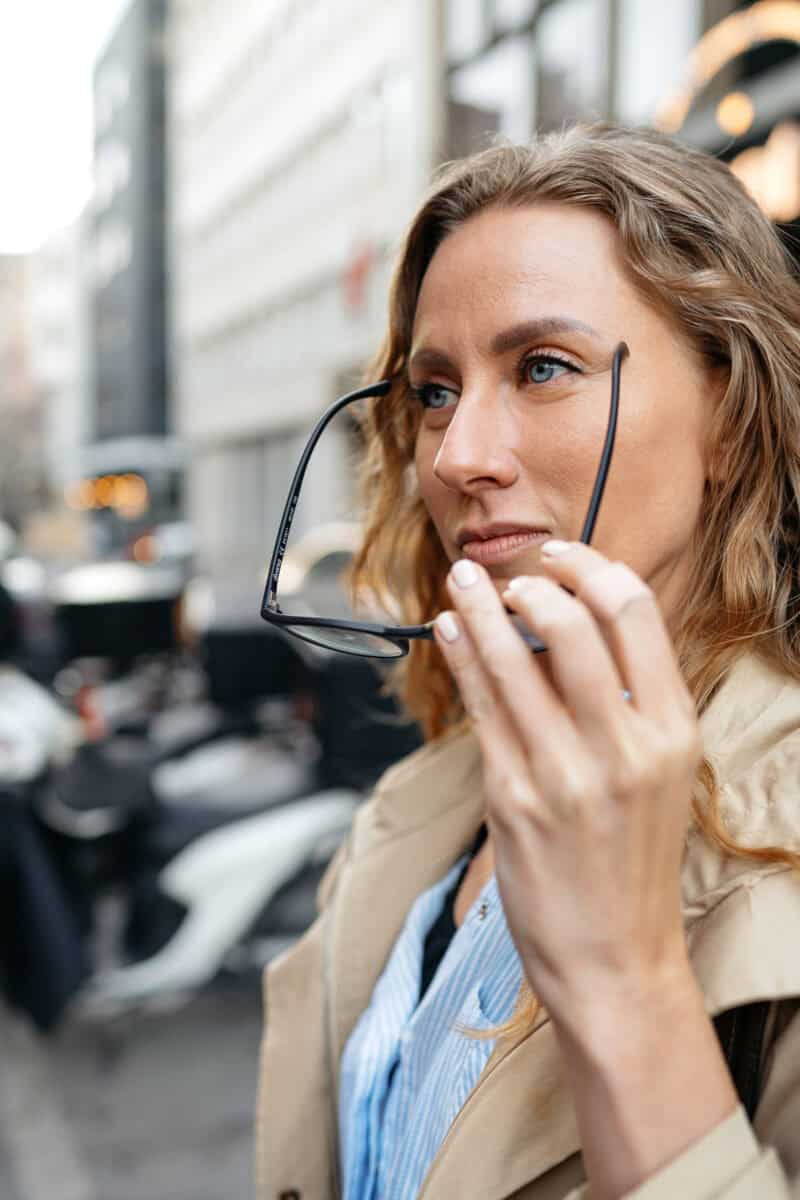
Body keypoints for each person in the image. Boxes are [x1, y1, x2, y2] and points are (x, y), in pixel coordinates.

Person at [255, 124, 800, 1199]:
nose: (456, 458)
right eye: (433, 391)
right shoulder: (421, 809)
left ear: (728, 417)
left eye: (542, 367)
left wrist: (624, 982)